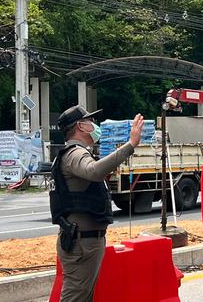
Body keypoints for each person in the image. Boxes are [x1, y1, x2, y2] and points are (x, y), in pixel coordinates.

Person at [49, 106, 144, 302]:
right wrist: (130, 145)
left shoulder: (76, 153)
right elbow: (93, 171)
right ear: (80, 126)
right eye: (90, 121)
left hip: (84, 240)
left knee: (83, 297)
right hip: (82, 242)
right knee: (75, 297)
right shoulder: (75, 154)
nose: (94, 125)